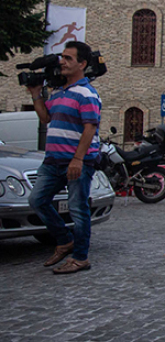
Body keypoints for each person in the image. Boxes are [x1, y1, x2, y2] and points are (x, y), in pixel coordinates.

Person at [26, 41, 101, 274]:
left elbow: (90, 128)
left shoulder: (86, 93)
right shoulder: (60, 92)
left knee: (79, 209)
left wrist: (77, 160)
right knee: (37, 200)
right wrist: (36, 94)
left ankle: (80, 258)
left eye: (69, 58)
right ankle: (64, 239)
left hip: (77, 161)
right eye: (62, 57)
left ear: (82, 64)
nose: (62, 62)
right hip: (53, 160)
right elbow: (46, 118)